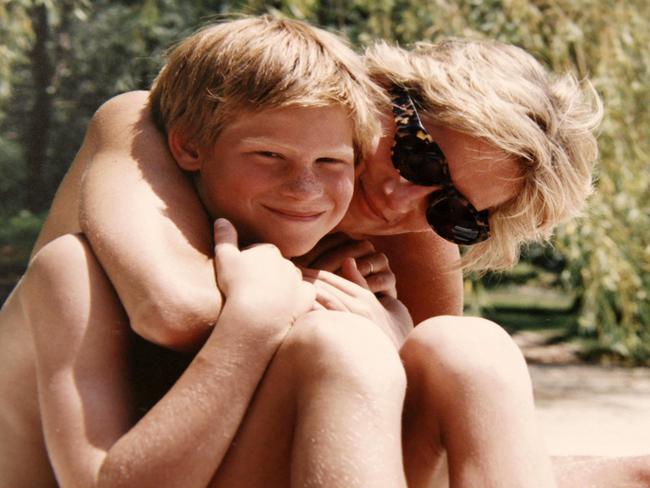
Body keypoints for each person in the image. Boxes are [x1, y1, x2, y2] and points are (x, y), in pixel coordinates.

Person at [0, 17, 410, 487]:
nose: (304, 186)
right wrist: (253, 322)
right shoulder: (75, 271)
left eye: (330, 161)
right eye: (269, 155)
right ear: (189, 147)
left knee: (473, 352)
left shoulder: (316, 271)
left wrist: (394, 330)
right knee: (344, 347)